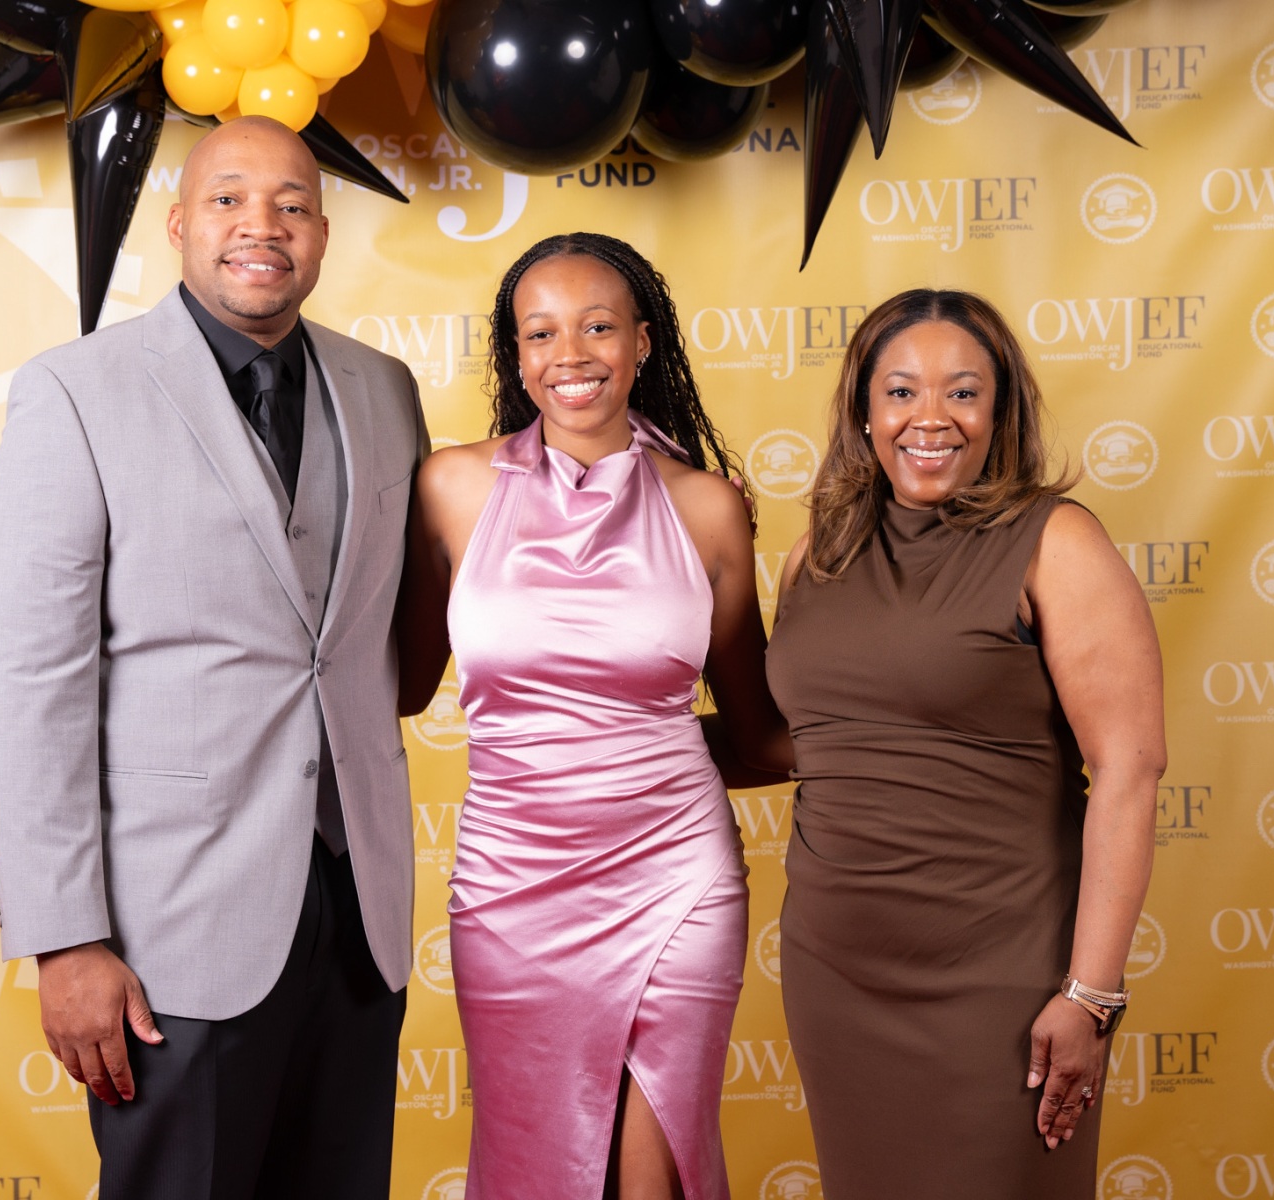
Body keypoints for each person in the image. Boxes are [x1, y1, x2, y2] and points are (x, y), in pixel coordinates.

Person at [0, 117, 426, 1200]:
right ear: (179, 225)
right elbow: (33, 684)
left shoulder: (385, 388)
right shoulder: (75, 391)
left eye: (292, 204)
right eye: (228, 199)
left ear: (323, 233)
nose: (261, 225)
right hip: (170, 933)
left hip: (357, 915)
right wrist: (64, 939)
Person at [396, 232, 791, 1200]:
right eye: (541, 333)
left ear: (643, 342)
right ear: (516, 354)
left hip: (675, 875)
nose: (569, 354)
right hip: (511, 885)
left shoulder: (709, 508)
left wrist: (928, 741)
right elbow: (397, 686)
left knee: (654, 1175)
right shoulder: (449, 488)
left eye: (598, 327)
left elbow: (756, 730)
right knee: (536, 1165)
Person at [764, 289, 1164, 1198]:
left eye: (964, 392)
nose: (931, 418)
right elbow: (821, 742)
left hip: (1003, 978)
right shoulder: (816, 552)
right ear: (864, 411)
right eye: (902, 391)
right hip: (836, 973)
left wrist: (1091, 994)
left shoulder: (1055, 541)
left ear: (1001, 411)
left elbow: (1131, 770)